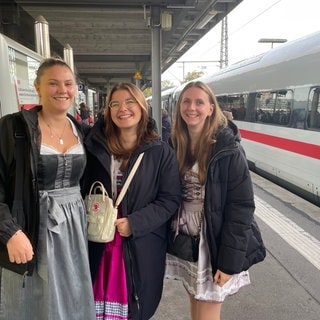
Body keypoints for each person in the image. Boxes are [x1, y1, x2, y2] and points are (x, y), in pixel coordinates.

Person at [0, 57, 96, 319]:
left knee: (74, 295)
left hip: (75, 228)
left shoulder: (83, 131)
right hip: (33, 224)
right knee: (35, 301)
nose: (62, 90)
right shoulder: (13, 128)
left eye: (68, 84)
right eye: (53, 83)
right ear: (38, 87)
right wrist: (9, 231)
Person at [165, 81, 266, 320]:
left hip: (214, 242)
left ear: (211, 108)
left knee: (207, 311)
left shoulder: (228, 149)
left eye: (200, 102)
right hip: (186, 239)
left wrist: (229, 261)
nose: (192, 107)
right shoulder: (174, 144)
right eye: (186, 101)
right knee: (194, 301)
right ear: (179, 107)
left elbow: (241, 207)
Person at [81, 82, 181, 320]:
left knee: (134, 306)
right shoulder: (93, 147)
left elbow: (170, 199)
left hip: (139, 243)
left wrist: (135, 223)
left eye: (130, 102)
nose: (122, 108)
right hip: (96, 239)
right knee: (90, 303)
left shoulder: (160, 152)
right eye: (114, 103)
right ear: (107, 110)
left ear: (142, 107)